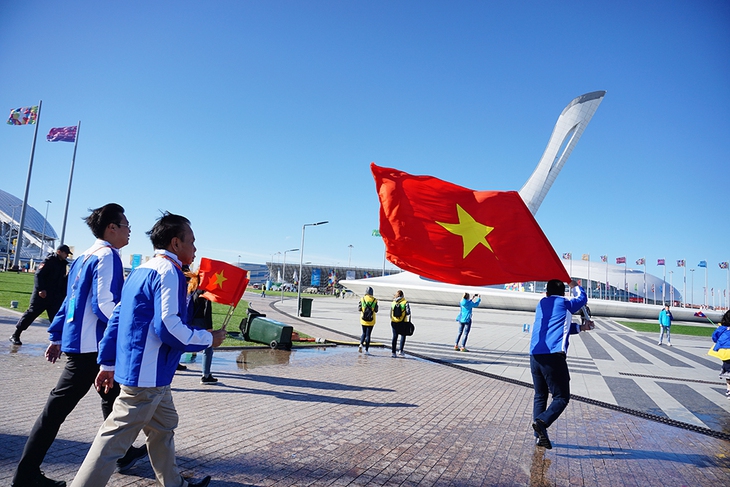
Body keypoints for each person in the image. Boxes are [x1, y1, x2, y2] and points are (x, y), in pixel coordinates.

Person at [69, 212, 225, 487]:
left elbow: (117, 317)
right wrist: (207, 338)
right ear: (176, 244)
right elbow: (168, 325)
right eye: (192, 241)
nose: (195, 249)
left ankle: (175, 483)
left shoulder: (141, 270)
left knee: (164, 425)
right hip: (146, 377)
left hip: (151, 374)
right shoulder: (170, 271)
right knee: (112, 441)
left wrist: (107, 363)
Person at [12, 204, 147, 487]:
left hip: (82, 344)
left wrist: (57, 337)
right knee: (56, 412)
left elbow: (69, 303)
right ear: (111, 228)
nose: (129, 231)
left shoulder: (84, 256)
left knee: (112, 399)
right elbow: (105, 304)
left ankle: (122, 455)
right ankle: (25, 474)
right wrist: (132, 331)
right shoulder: (108, 255)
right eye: (126, 226)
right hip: (93, 349)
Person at [530, 279, 592, 450]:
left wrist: (581, 328)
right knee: (562, 397)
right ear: (563, 293)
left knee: (540, 395)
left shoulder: (541, 304)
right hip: (553, 355)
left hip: (535, 355)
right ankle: (542, 422)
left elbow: (559, 326)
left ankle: (539, 436)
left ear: (546, 293)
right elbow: (582, 298)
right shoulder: (564, 303)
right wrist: (573, 284)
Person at [10, 245, 71, 345]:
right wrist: (41, 289)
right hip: (42, 296)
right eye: (66, 253)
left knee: (57, 319)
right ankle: (16, 334)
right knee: (31, 314)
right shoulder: (49, 261)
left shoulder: (63, 264)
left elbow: (62, 281)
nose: (67, 255)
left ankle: (60, 341)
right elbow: (38, 275)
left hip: (54, 297)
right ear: (59, 252)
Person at [185, 267, 218, 384]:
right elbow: (206, 310)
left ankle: (172, 368)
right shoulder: (204, 290)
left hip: (190, 320)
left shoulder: (192, 287)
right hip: (201, 322)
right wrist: (209, 327)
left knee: (182, 344)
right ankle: (206, 375)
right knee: (208, 348)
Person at [710, 311, 730, 397]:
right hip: (727, 351)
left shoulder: (722, 328)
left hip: (724, 352)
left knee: (728, 371)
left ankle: (729, 389)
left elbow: (714, 337)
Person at [390, 290, 411, 357]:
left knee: (394, 337)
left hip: (394, 322)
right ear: (402, 295)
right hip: (402, 322)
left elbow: (390, 313)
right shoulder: (405, 302)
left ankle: (393, 352)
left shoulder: (393, 302)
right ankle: (400, 351)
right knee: (403, 335)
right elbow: (408, 312)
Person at [358, 286, 378, 354]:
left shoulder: (362, 299)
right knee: (368, 335)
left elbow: (359, 309)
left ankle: (361, 344)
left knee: (363, 333)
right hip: (371, 319)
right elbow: (376, 310)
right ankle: (366, 350)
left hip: (363, 319)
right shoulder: (375, 300)